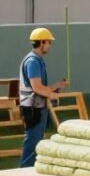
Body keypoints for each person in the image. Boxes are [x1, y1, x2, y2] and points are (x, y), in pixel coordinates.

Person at [18, 27, 65, 168]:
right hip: (33, 109)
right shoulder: (33, 61)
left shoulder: (35, 60)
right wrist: (52, 95)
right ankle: (24, 174)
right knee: (33, 143)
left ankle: (28, 174)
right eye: (49, 42)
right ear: (42, 42)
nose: (50, 45)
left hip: (36, 107)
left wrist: (57, 85)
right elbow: (37, 87)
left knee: (36, 141)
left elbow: (39, 86)